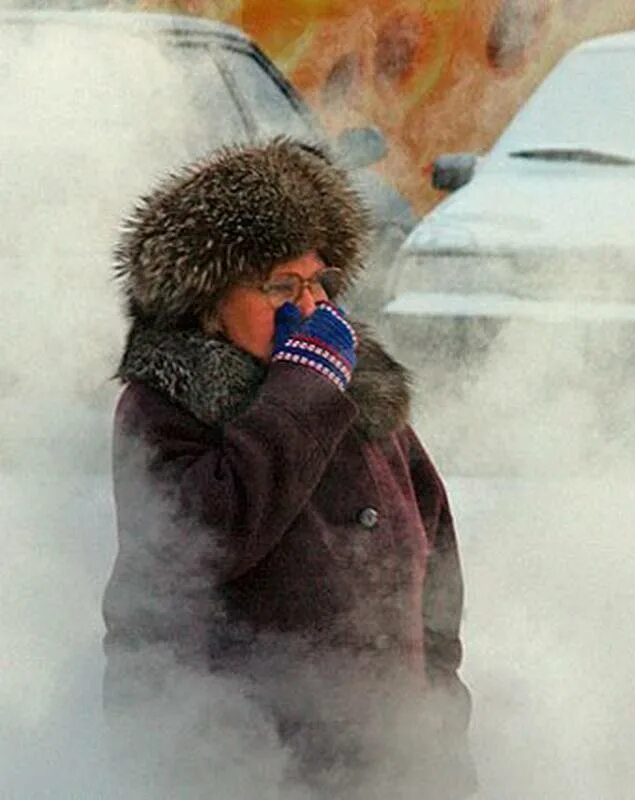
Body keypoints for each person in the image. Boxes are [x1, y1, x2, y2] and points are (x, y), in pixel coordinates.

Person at [101, 138, 474, 797]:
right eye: (279, 286)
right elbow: (202, 543)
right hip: (242, 767)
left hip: (392, 764)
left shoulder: (359, 388)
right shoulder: (168, 404)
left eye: (316, 283)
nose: (307, 308)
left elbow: (435, 565)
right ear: (209, 299)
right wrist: (304, 389)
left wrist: (437, 729)